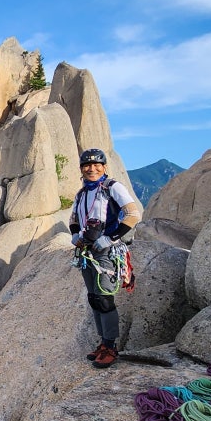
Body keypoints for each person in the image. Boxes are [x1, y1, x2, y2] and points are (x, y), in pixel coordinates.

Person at [68, 148, 142, 368]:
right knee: (94, 298)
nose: (92, 169)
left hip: (107, 251)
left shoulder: (112, 188)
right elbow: (74, 218)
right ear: (81, 169)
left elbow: (133, 214)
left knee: (104, 299)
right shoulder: (82, 193)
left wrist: (111, 238)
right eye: (87, 165)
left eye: (96, 165)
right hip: (87, 252)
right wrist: (74, 235)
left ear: (104, 167)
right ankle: (103, 343)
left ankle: (110, 347)